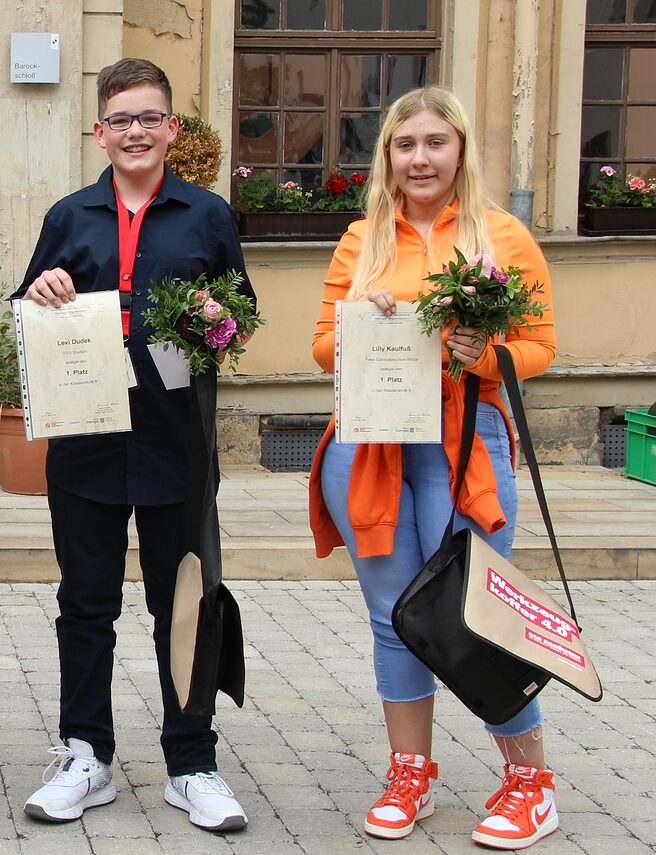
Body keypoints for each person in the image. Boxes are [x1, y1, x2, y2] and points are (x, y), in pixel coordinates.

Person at [309, 86, 560, 850]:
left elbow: (541, 347)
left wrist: (481, 353)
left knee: (474, 615)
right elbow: (322, 347)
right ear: (387, 155)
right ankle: (409, 772)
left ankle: (530, 785)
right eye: (405, 144)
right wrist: (364, 320)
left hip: (465, 444)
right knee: (394, 618)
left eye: (434, 143)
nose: (420, 158)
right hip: (370, 443)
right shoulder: (363, 238)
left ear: (459, 151)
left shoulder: (502, 235)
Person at [15, 58, 253, 833]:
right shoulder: (70, 216)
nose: (135, 132)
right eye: (121, 119)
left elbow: (241, 315)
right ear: (100, 130)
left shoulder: (207, 215)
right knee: (84, 604)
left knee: (182, 600)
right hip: (85, 440)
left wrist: (216, 314)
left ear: (172, 128)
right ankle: (86, 752)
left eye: (150, 117)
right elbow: (26, 310)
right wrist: (43, 292)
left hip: (173, 442)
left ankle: (192, 760)